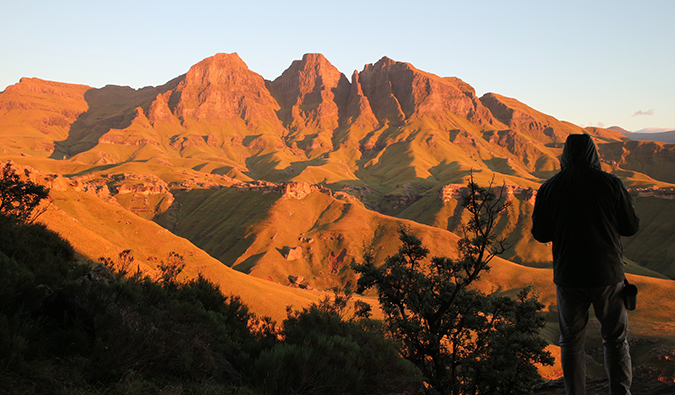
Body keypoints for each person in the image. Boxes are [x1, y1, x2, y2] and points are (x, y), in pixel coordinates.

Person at [531, 133, 640, 395]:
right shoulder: (611, 184)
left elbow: (541, 233)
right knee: (615, 341)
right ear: (593, 154)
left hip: (569, 276)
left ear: (565, 155)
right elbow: (630, 226)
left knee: (570, 342)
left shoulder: (550, 188)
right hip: (607, 273)